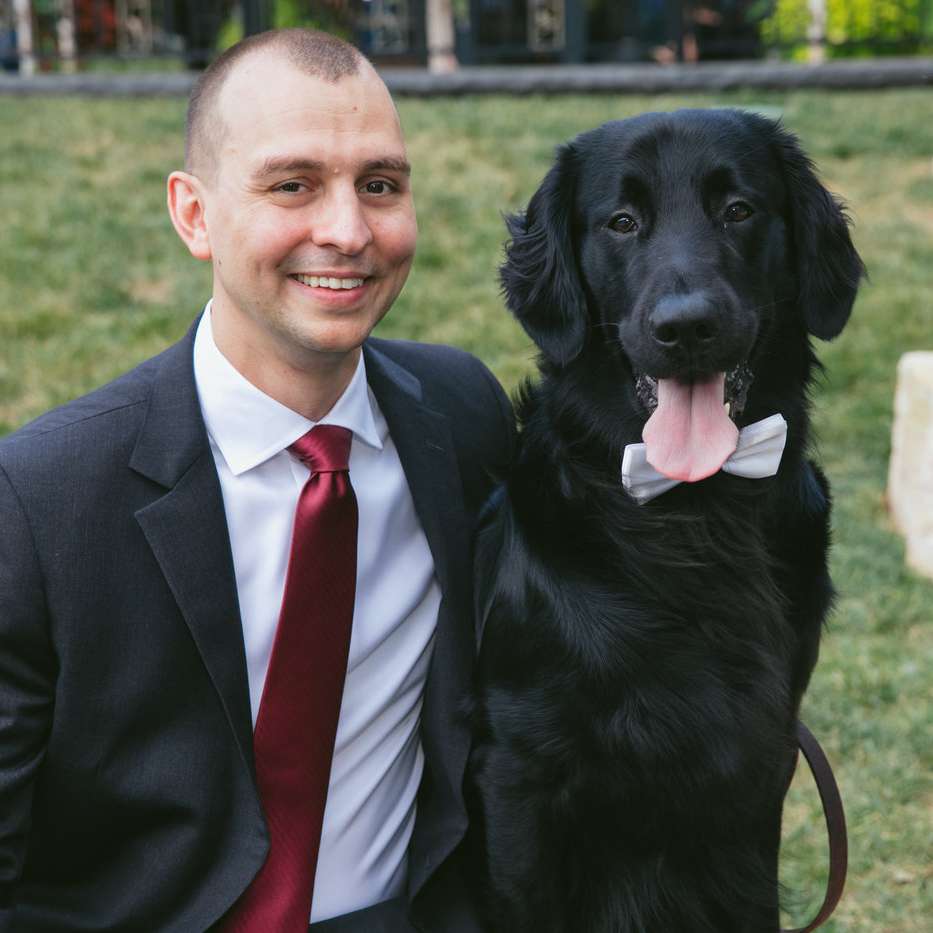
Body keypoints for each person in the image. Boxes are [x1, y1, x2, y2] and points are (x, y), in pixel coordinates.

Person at [0, 28, 512, 933]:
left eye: (380, 186)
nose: (349, 231)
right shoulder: (42, 496)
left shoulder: (463, 417)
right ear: (192, 214)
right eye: (293, 185)